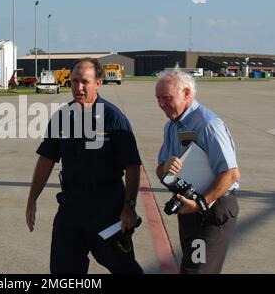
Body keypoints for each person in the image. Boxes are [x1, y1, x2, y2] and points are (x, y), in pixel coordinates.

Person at [25, 58, 144, 274]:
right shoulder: (61, 117)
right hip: (71, 207)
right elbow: (46, 159)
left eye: (85, 82)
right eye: (74, 81)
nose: (79, 88)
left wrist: (129, 207)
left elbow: (133, 166)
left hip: (107, 209)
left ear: (98, 83)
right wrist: (32, 199)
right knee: (63, 272)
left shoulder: (113, 119)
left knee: (125, 269)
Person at [155, 69, 240, 274]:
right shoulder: (171, 126)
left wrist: (200, 204)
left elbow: (231, 173)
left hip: (212, 210)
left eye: (167, 98)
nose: (161, 104)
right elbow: (161, 173)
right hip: (188, 209)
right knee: (192, 268)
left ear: (187, 93)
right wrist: (165, 167)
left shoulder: (208, 124)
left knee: (195, 271)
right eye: (158, 99)